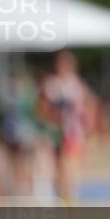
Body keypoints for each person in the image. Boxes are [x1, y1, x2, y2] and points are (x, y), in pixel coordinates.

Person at [38, 51, 94, 203]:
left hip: (72, 132)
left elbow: (85, 108)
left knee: (70, 166)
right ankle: (60, 198)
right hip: (55, 131)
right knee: (57, 168)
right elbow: (43, 109)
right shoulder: (51, 85)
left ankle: (70, 199)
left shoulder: (76, 85)